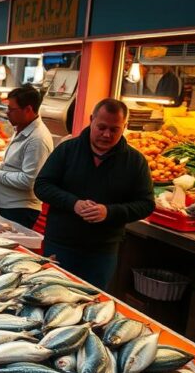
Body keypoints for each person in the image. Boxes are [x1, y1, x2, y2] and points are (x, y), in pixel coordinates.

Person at [34, 99, 155, 289]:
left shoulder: (135, 161)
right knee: (51, 296)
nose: (107, 134)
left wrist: (109, 212)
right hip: (61, 244)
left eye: (114, 129)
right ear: (91, 120)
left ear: (125, 127)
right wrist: (73, 203)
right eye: (101, 127)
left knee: (92, 301)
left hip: (102, 253)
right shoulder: (67, 150)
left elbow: (146, 204)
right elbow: (42, 186)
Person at [0, 85, 52, 225]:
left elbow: (29, 181)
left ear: (28, 109)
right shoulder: (21, 128)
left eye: (12, 109)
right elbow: (12, 166)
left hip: (20, 210)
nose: (7, 113)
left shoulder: (37, 139)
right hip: (8, 206)